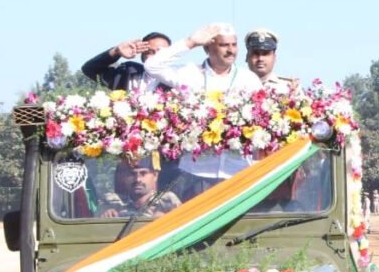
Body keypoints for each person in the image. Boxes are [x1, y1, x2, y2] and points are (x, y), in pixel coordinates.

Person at [144, 24, 263, 195]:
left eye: (234, 45)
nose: (231, 51)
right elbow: (152, 66)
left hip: (238, 173)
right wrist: (190, 42)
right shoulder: (190, 74)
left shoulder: (249, 79)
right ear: (208, 48)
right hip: (194, 173)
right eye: (224, 45)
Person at [81, 32, 171, 92]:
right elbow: (89, 69)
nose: (156, 57)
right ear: (142, 54)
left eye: (161, 53)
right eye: (150, 52)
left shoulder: (176, 81)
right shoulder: (126, 73)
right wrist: (116, 51)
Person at [100, 154, 181, 218]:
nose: (138, 179)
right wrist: (105, 215)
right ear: (124, 177)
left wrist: (167, 219)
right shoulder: (112, 202)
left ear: (155, 176)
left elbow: (183, 227)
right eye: (132, 174)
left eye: (143, 173)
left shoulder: (167, 200)